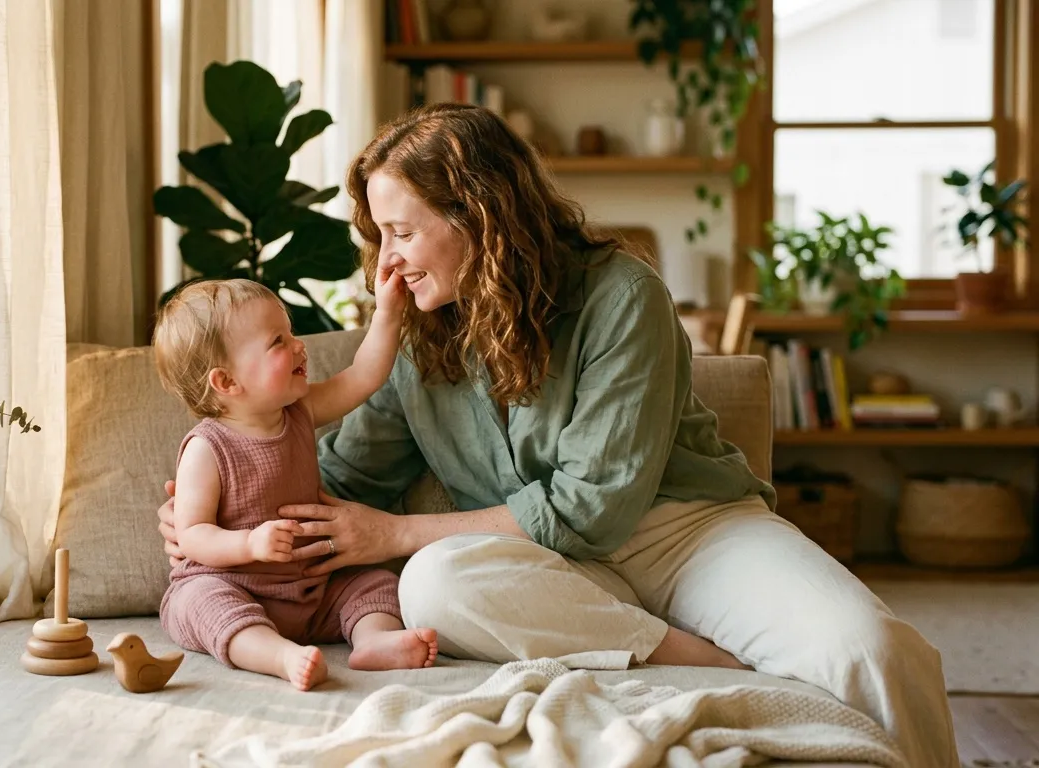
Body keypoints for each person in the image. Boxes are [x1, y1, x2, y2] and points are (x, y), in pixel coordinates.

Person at [156, 103, 957, 765]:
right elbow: (341, 476)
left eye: (399, 231)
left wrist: (393, 530)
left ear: (476, 211)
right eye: (378, 237)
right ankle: (692, 657)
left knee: (873, 650)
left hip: (687, 534)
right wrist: (215, 516)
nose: (384, 263)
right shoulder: (418, 335)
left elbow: (597, 506)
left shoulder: (621, 295)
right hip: (547, 571)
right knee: (433, 583)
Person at [151, 277, 437, 691]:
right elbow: (191, 535)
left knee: (373, 582)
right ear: (227, 382)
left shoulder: (299, 411)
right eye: (278, 342)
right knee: (198, 602)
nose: (299, 345)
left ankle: (373, 640)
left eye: (291, 333)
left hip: (310, 590)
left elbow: (362, 376)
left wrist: (389, 313)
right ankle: (278, 655)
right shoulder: (207, 448)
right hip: (233, 586)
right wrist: (249, 545)